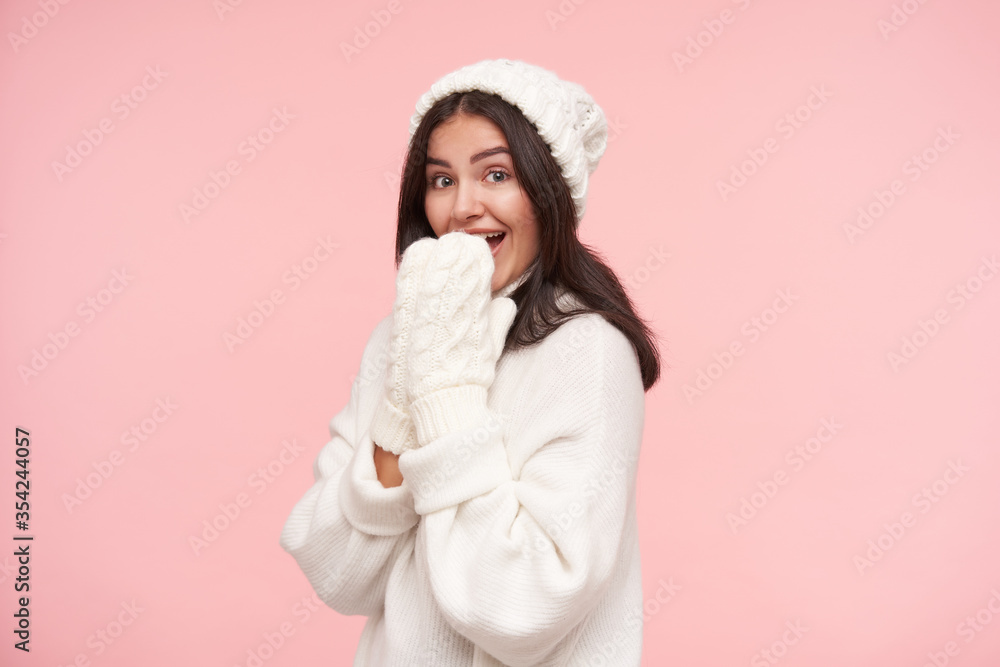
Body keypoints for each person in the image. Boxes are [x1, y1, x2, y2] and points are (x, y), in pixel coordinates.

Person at [280, 57, 662, 666]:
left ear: (550, 190)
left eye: (496, 174)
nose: (463, 208)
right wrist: (405, 402)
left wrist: (447, 396)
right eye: (442, 180)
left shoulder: (587, 351)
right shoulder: (401, 340)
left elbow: (521, 607)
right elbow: (341, 577)